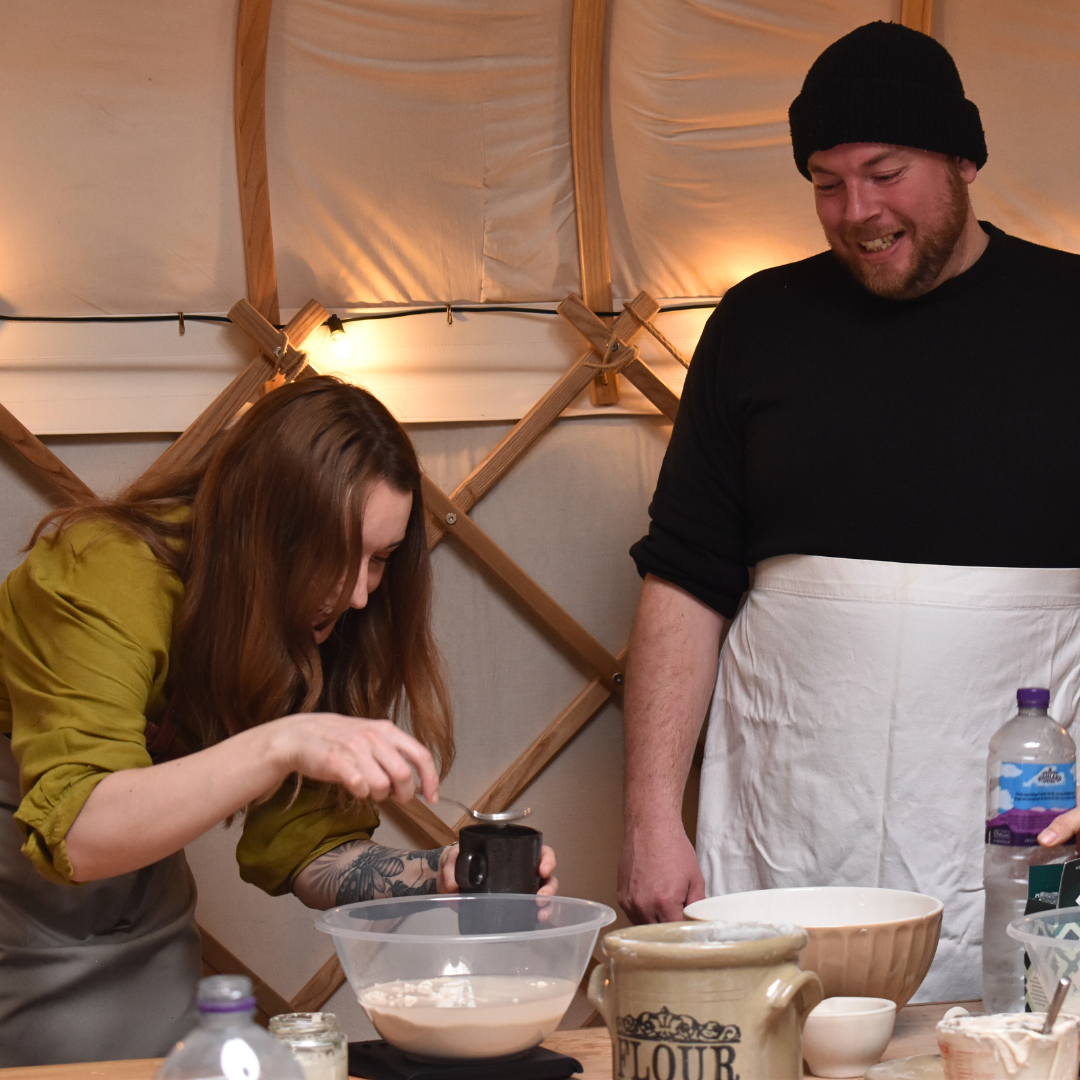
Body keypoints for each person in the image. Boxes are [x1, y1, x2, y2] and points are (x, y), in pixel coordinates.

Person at [619, 20, 1080, 1002]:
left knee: (1014, 1043)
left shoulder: (1072, 315)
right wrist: (650, 818)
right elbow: (685, 581)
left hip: (1023, 835)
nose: (857, 210)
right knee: (780, 1029)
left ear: (963, 159)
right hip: (787, 830)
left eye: (885, 172)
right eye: (827, 182)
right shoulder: (756, 324)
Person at [0, 375, 556, 1066]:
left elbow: (312, 852)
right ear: (264, 529)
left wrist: (437, 874)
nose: (358, 594)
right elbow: (81, 832)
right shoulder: (105, 568)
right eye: (337, 553)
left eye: (380, 560)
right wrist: (282, 743)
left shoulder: (307, 627)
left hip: (144, 905)